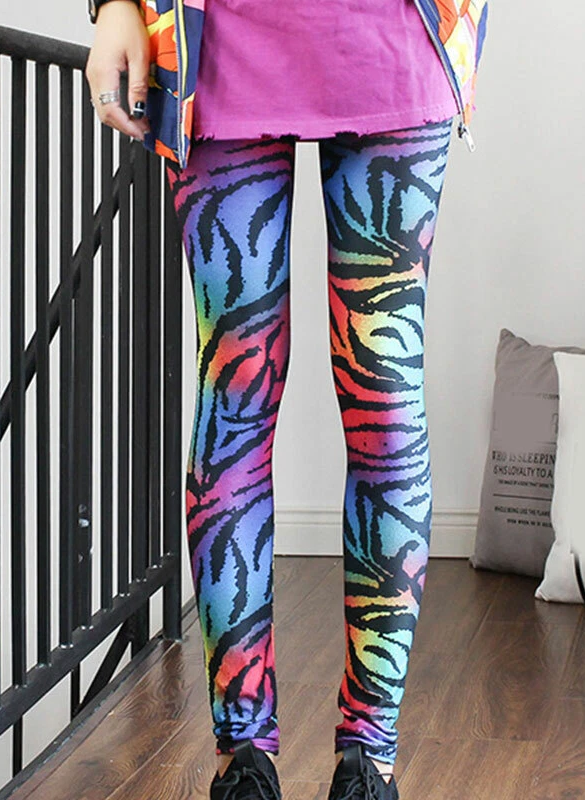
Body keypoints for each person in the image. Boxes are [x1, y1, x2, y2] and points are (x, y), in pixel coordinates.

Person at [86, 2, 489, 798]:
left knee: (383, 395)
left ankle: (369, 759)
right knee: (237, 391)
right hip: (220, 39)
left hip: (394, 31)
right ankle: (242, 761)